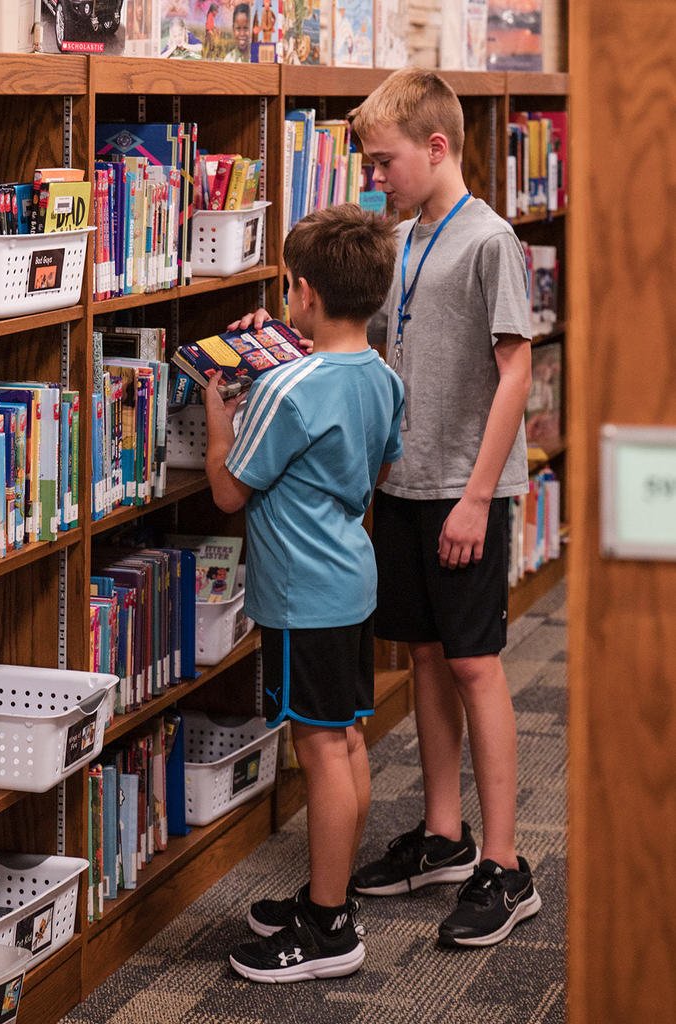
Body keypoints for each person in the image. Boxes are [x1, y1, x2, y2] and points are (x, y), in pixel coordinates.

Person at [347, 67, 541, 948]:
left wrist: (473, 496)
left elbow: (516, 373)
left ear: (435, 147)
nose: (374, 176)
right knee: (426, 654)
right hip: (405, 484)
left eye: (384, 161)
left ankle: (506, 864)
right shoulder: (401, 238)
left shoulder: (490, 240)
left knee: (475, 665)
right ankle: (443, 837)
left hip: (467, 490)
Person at [203, 204, 405, 982]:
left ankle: (325, 932)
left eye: (290, 287)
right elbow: (381, 467)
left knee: (318, 748)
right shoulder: (382, 375)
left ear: (305, 293)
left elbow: (228, 492)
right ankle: (335, 899)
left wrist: (223, 417)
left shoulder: (286, 388)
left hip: (300, 596)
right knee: (348, 736)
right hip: (352, 581)